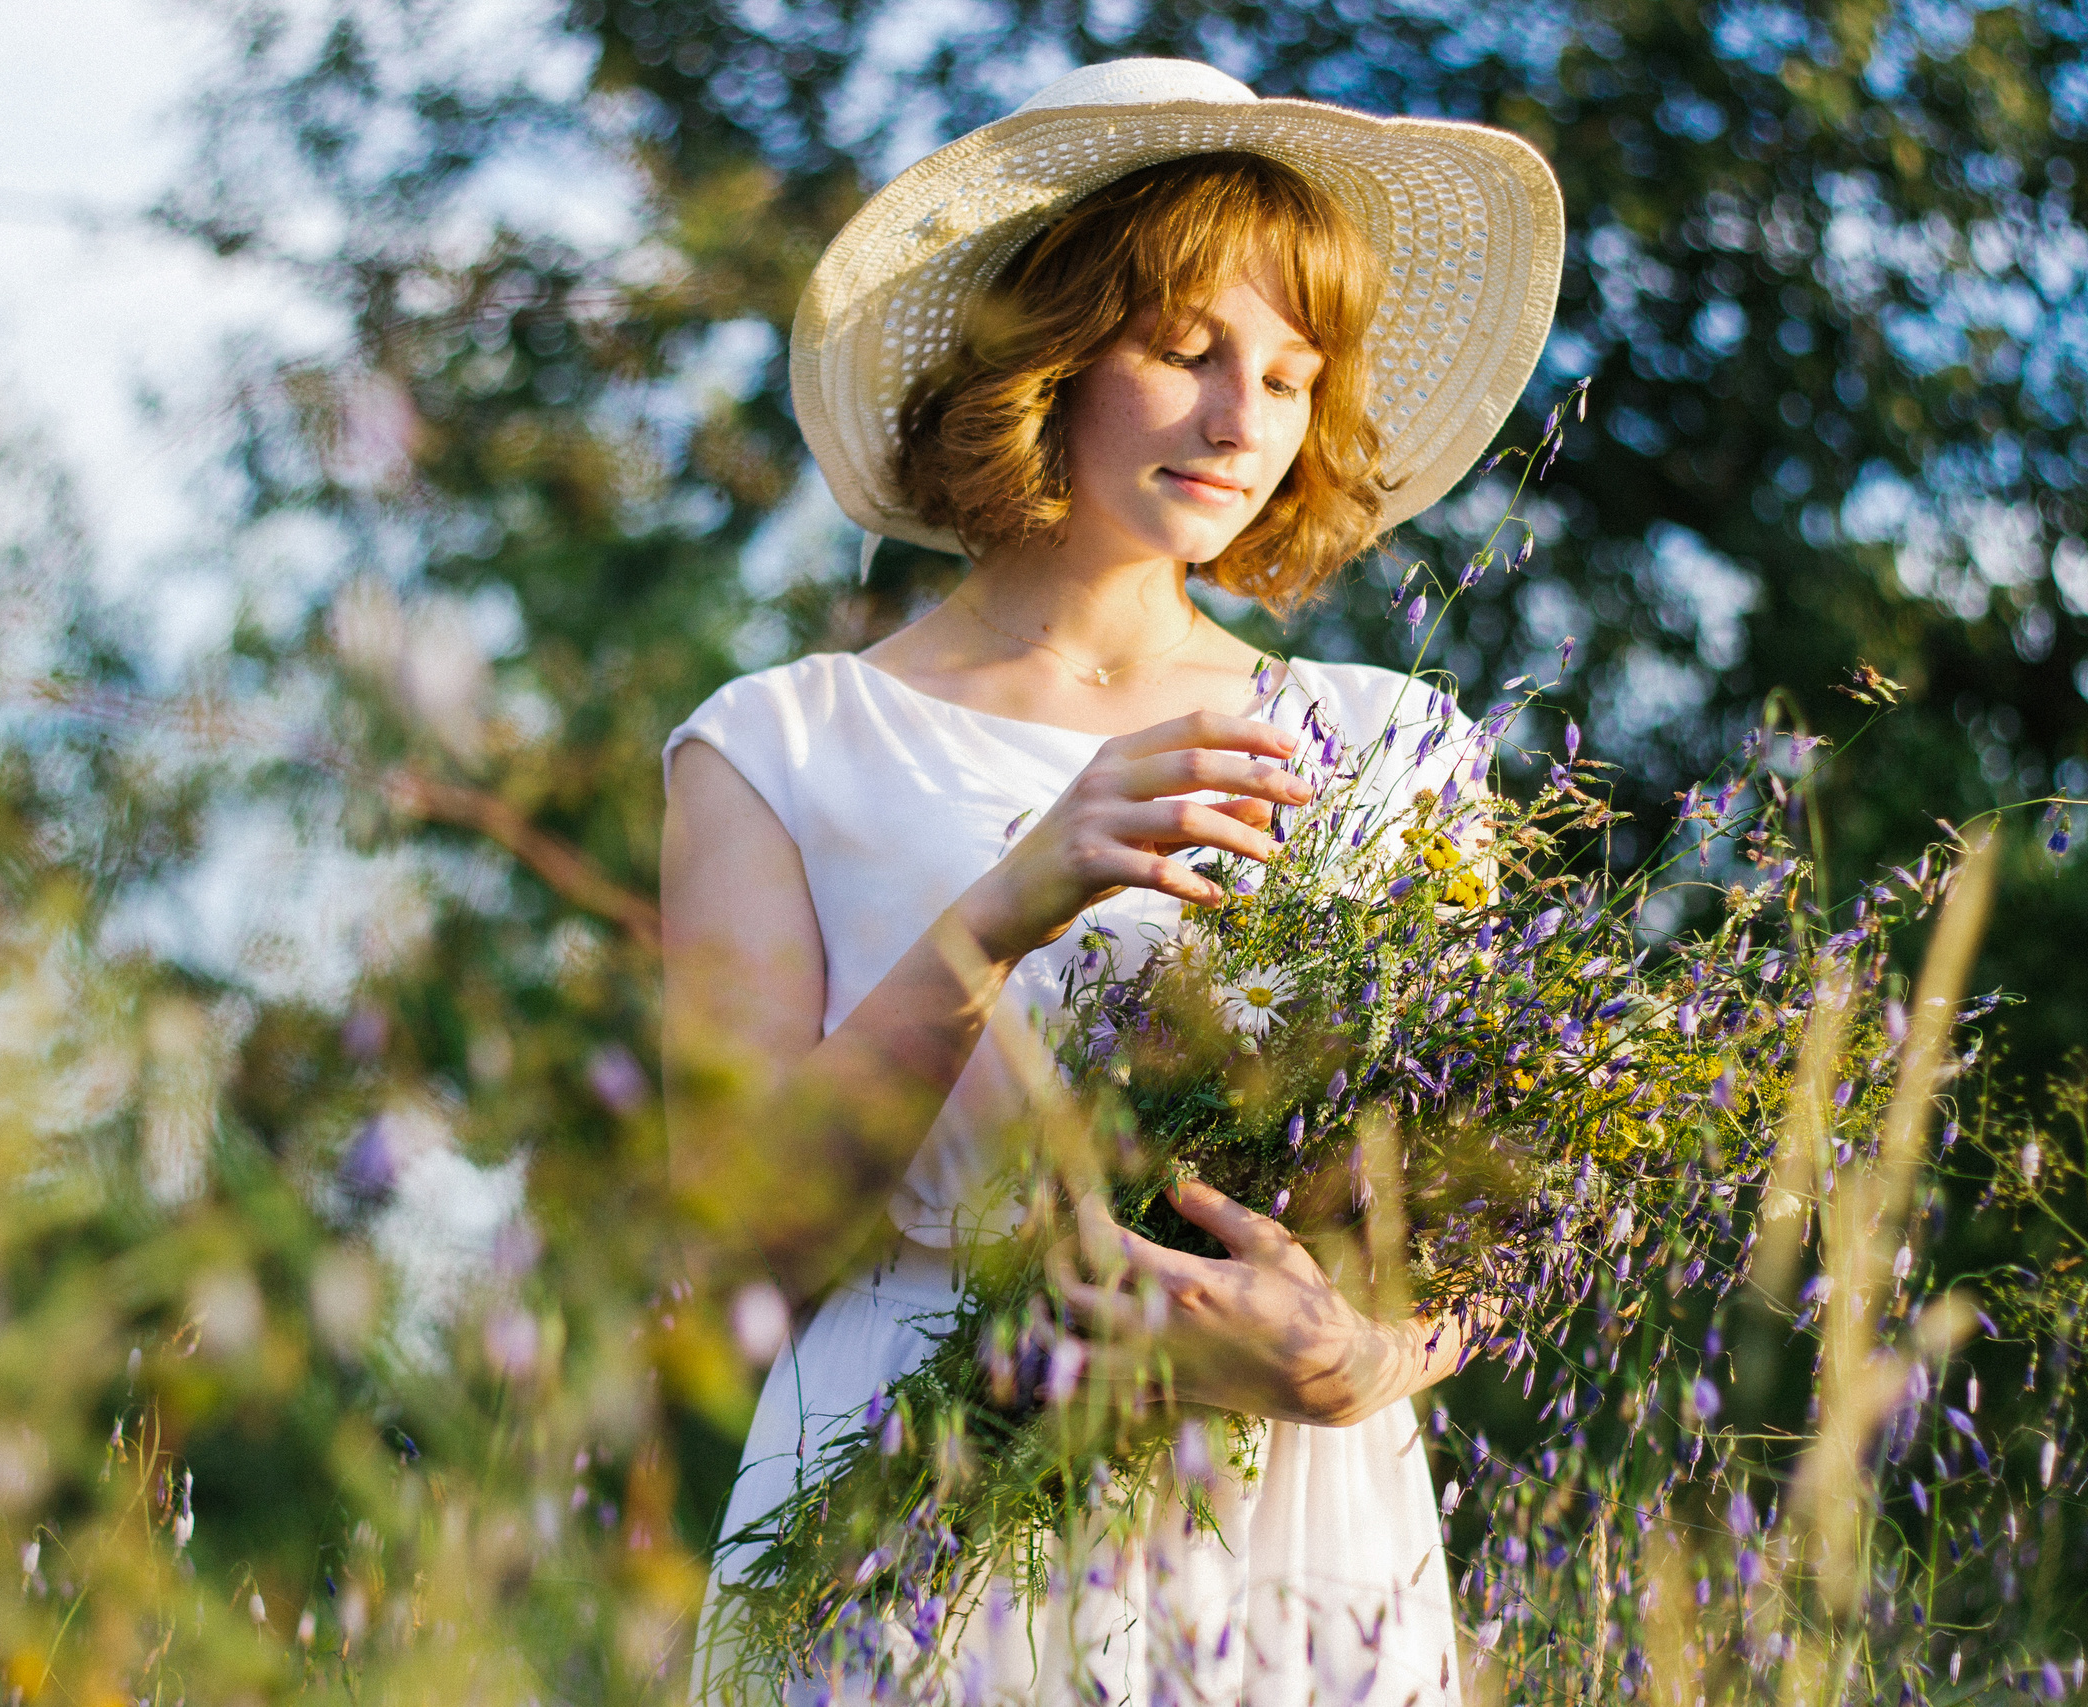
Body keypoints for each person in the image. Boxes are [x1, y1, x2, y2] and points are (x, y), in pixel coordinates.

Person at [662, 58, 1562, 1706]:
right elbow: (737, 1233)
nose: (1244, 424)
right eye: (1188, 352)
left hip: (1293, 1542)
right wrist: (1004, 907)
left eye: (1292, 377)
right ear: (1051, 352)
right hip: (901, 1508)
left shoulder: (1396, 742)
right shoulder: (780, 744)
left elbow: (1487, 1222)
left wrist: (1363, 1363)